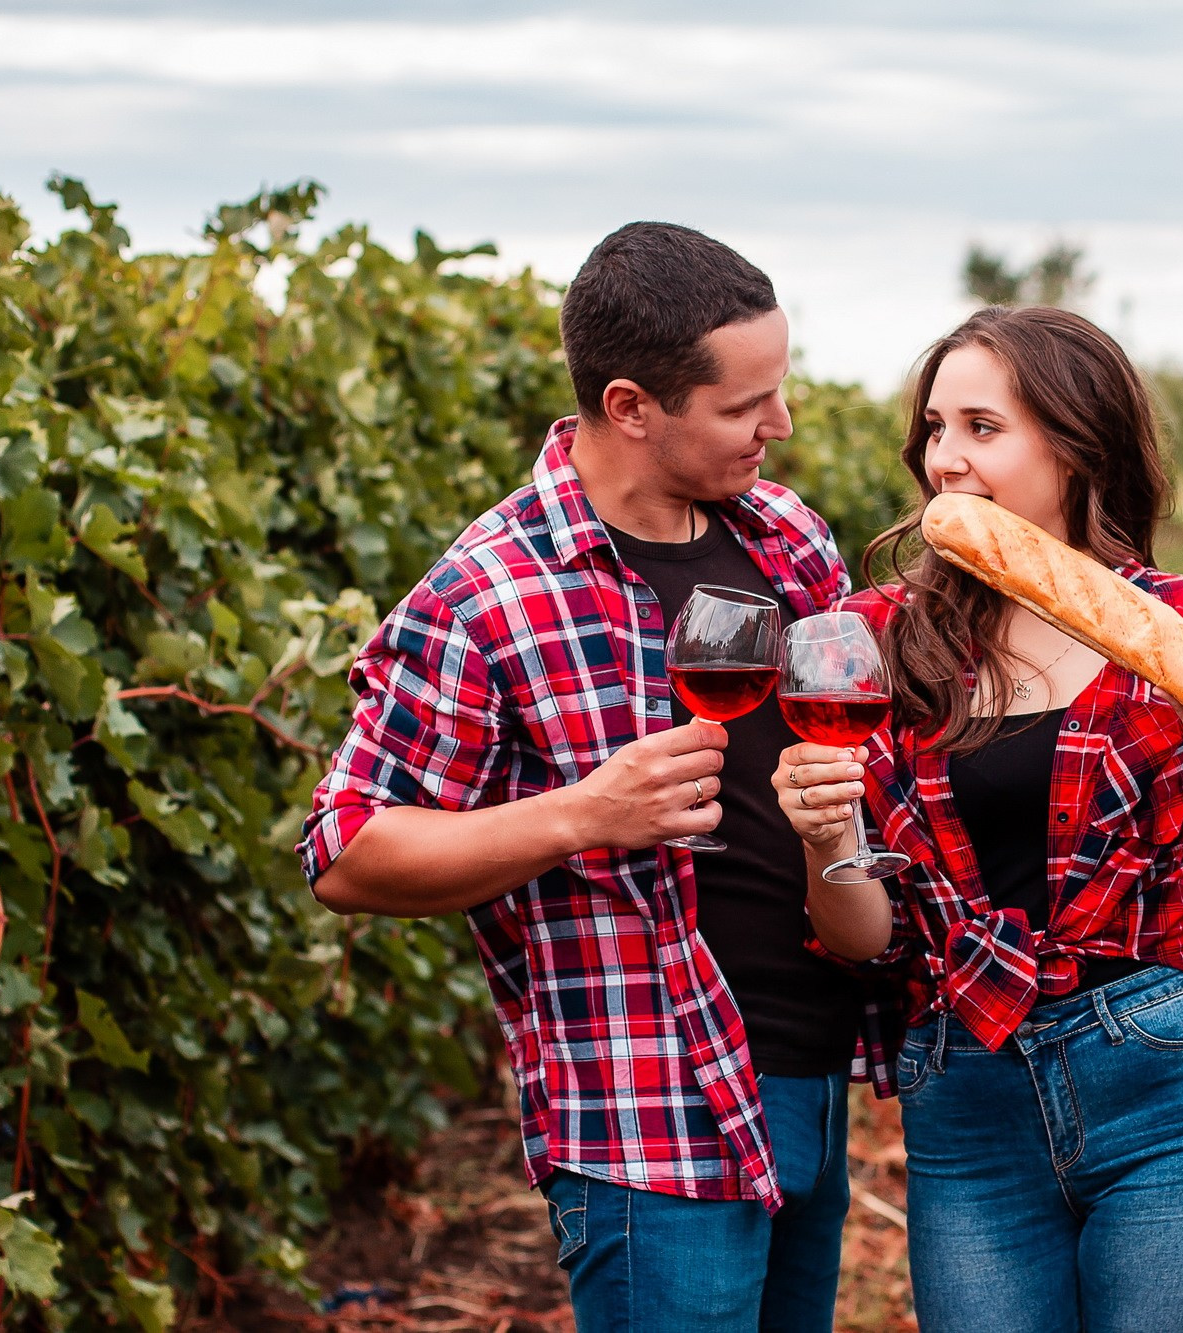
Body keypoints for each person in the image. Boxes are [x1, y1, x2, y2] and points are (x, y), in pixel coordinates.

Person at [300, 222, 872, 1333]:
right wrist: (583, 814)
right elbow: (348, 850)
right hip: (643, 1099)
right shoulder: (486, 594)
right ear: (629, 407)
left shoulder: (791, 538)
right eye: (743, 403)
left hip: (807, 1067)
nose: (780, 424)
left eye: (779, 388)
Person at [775, 305, 1183, 1332]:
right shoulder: (880, 638)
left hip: (1171, 1083)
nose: (945, 460)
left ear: (1074, 446)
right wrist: (824, 837)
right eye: (935, 428)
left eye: (982, 427)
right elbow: (866, 943)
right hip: (966, 1099)